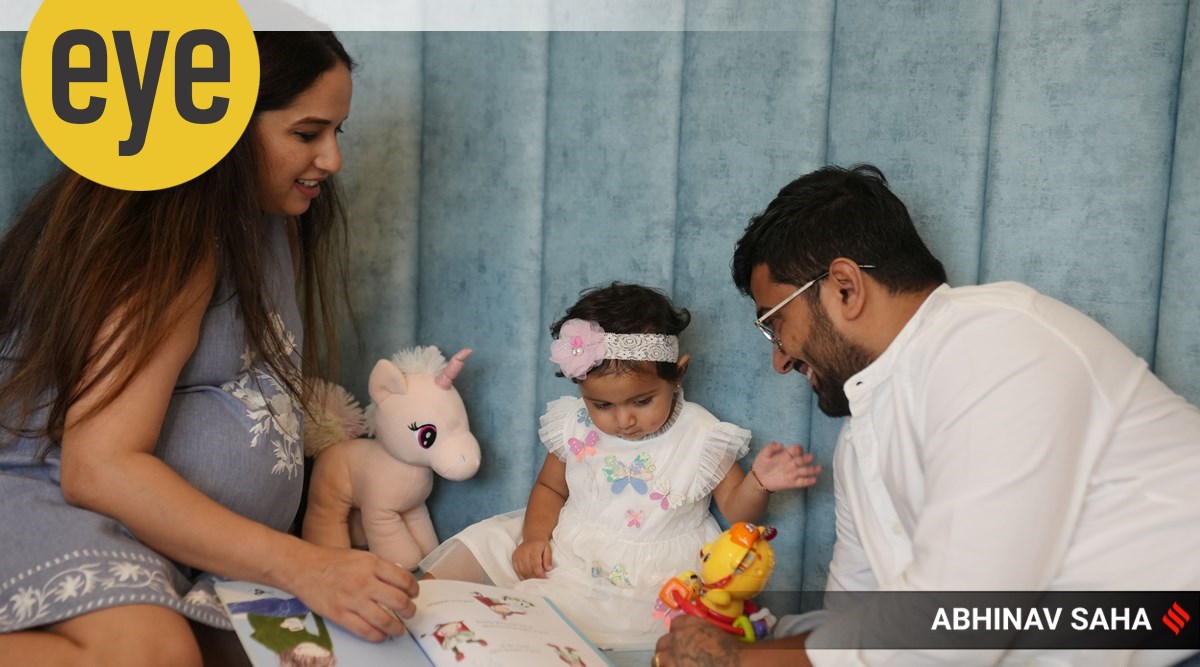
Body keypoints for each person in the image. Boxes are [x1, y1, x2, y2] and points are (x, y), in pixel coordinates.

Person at [653, 164, 1200, 667]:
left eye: (774, 322)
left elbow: (963, 622)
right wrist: (733, 641)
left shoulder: (996, 343)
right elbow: (853, 627)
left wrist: (737, 662)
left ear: (846, 287)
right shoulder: (862, 439)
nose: (778, 359)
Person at [0, 32, 418, 666]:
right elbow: (99, 467)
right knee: (153, 655)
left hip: (179, 548)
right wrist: (307, 567)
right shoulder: (167, 240)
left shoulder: (273, 221)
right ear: (214, 130)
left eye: (339, 132)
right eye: (307, 134)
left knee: (328, 650)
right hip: (46, 499)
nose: (331, 159)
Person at [418, 282, 822, 650]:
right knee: (505, 567)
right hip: (573, 554)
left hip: (654, 580)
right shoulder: (574, 424)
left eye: (641, 401)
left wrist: (759, 483)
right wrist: (536, 537)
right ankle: (423, 617)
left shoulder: (701, 433)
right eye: (602, 406)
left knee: (617, 636)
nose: (623, 420)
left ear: (677, 375)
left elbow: (736, 512)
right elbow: (550, 490)